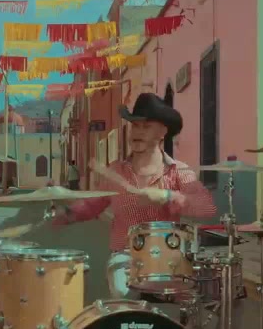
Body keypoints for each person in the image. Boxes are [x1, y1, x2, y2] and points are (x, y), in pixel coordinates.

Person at [53, 92, 217, 297]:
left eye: (146, 127)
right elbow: (91, 205)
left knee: (197, 293)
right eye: (135, 126)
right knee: (124, 293)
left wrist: (167, 196)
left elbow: (207, 207)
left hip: (167, 258)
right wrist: (66, 214)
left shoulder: (179, 171)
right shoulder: (116, 171)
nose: (137, 132)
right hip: (125, 257)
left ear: (162, 132)